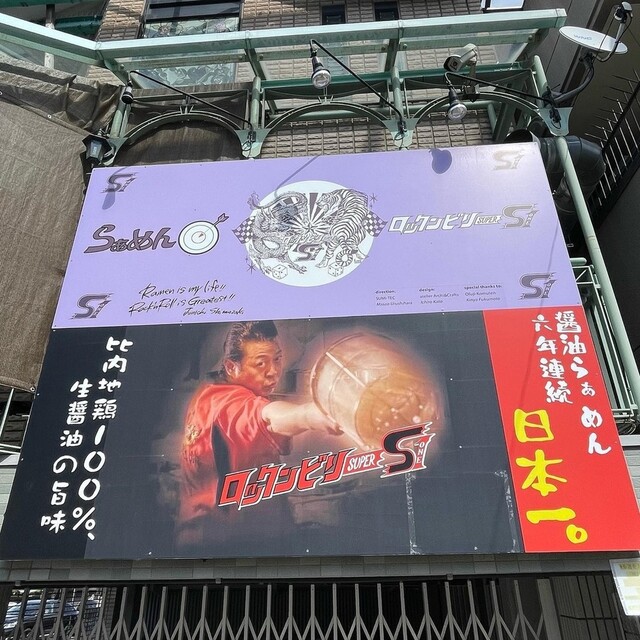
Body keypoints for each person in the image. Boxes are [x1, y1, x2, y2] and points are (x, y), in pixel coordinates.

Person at [178, 320, 339, 545]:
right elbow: (268, 416)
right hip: (231, 543)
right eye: (261, 363)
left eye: (277, 359)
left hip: (203, 537)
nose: (273, 372)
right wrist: (311, 415)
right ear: (231, 367)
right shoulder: (232, 404)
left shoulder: (207, 396)